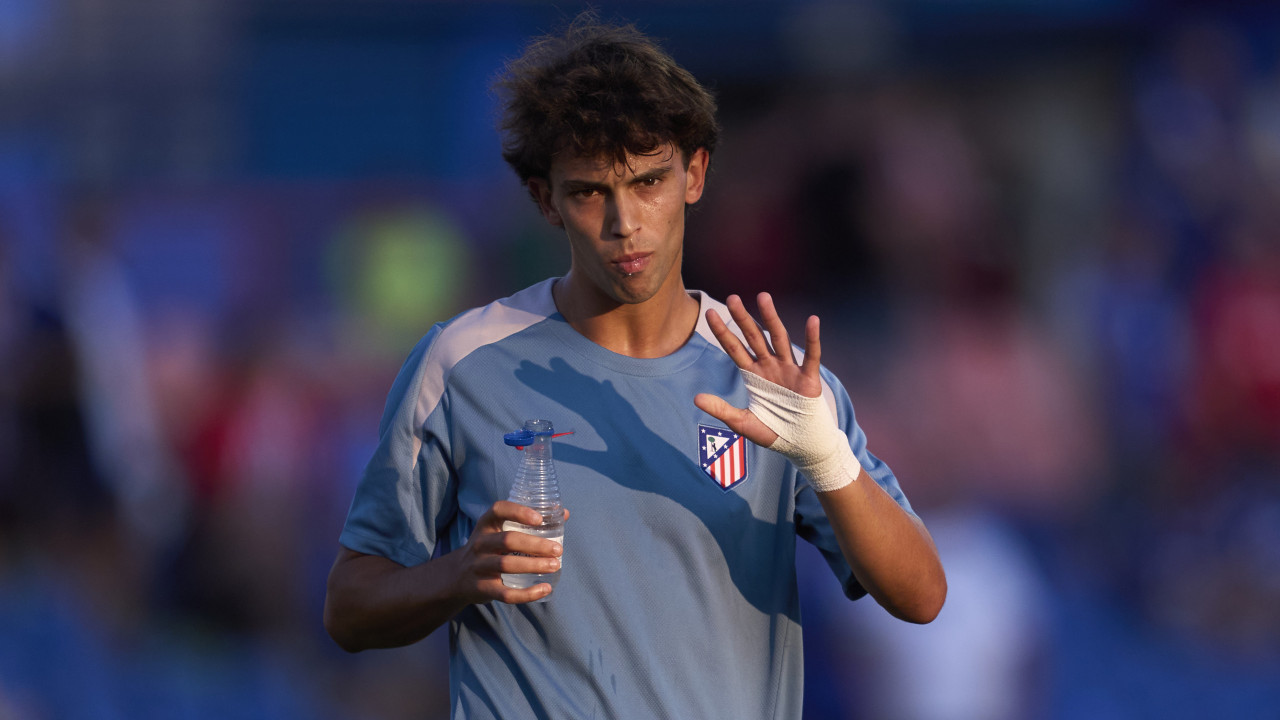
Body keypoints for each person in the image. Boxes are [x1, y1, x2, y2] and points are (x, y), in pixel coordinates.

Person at [324, 14, 946, 719]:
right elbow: (350, 606)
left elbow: (922, 596)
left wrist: (827, 457)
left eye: (649, 181)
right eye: (591, 192)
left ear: (695, 173)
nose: (626, 223)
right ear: (544, 199)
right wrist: (458, 575)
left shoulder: (772, 376)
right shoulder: (459, 364)